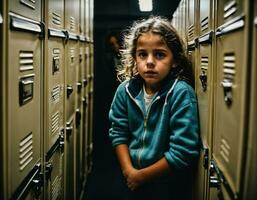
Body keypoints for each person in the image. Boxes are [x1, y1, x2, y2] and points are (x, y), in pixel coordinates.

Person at [108, 16, 201, 200]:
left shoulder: (181, 93)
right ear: (134, 58)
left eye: (159, 54)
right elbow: (118, 132)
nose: (150, 62)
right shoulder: (124, 90)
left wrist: (141, 176)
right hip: (133, 178)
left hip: (168, 184)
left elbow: (183, 151)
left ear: (174, 60)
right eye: (143, 54)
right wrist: (129, 171)